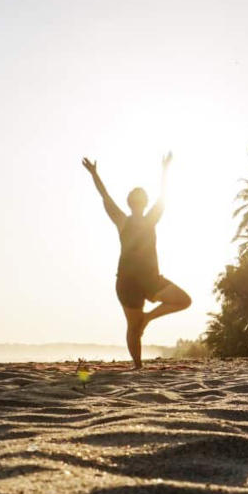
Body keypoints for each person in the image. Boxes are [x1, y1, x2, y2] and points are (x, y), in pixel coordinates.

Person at [82, 153, 191, 369]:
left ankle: (147, 321)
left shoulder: (149, 219)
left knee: (182, 301)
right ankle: (138, 366)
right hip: (128, 281)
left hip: (150, 278)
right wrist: (95, 174)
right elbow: (105, 197)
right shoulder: (124, 221)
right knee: (133, 326)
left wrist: (165, 171)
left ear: (142, 202)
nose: (140, 200)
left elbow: (162, 197)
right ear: (133, 203)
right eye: (137, 197)